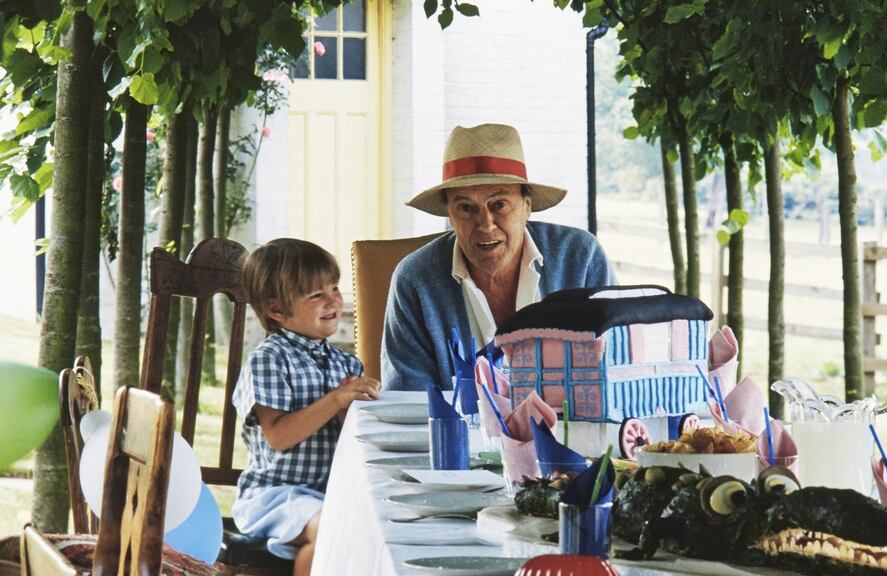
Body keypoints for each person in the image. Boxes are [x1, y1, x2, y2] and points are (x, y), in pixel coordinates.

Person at [381, 123, 615, 391]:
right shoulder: (414, 280)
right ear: (449, 215)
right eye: (466, 208)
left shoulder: (580, 257)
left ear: (527, 206)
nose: (485, 224)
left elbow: (615, 364)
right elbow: (409, 398)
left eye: (499, 204)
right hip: (455, 432)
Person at [231, 238, 381, 576]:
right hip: (274, 497)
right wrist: (335, 400)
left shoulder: (346, 364)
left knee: (373, 529)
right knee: (332, 530)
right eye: (316, 295)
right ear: (277, 310)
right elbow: (279, 437)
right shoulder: (269, 360)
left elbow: (355, 440)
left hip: (329, 494)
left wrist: (352, 413)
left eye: (334, 288)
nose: (333, 301)